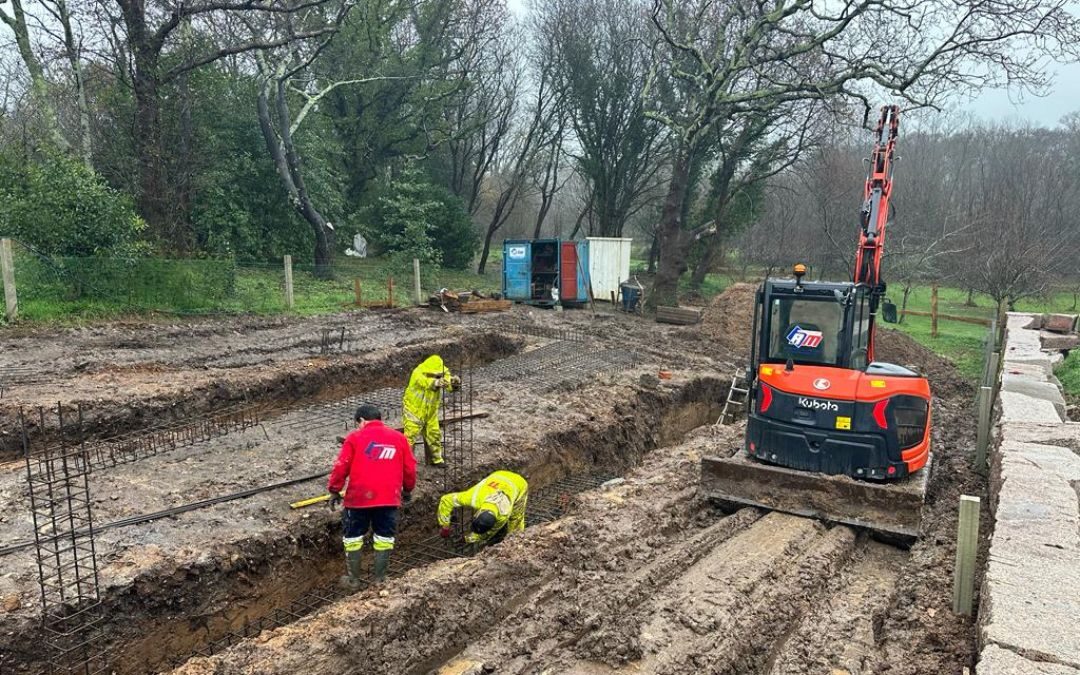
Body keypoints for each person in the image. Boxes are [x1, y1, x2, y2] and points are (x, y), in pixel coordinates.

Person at [327, 403, 416, 589]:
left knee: (353, 537)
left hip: (358, 499)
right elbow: (409, 468)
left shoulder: (355, 438)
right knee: (384, 537)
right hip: (388, 498)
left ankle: (353, 581)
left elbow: (341, 465)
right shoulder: (399, 438)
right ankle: (380, 580)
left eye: (357, 423)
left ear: (361, 420)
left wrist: (334, 490)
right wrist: (407, 489)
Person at [437, 470, 528, 547]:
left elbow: (489, 533)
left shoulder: (503, 515)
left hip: (519, 484)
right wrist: (445, 525)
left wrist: (468, 539)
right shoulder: (474, 497)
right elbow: (446, 500)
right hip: (499, 475)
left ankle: (515, 546)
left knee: (515, 521)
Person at [402, 355, 460, 467]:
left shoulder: (442, 371)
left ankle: (437, 459)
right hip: (414, 411)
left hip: (431, 411)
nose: (438, 377)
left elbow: (447, 381)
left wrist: (454, 383)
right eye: (435, 375)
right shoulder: (417, 373)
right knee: (409, 437)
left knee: (434, 434)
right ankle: (407, 464)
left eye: (439, 375)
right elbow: (425, 382)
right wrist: (435, 383)